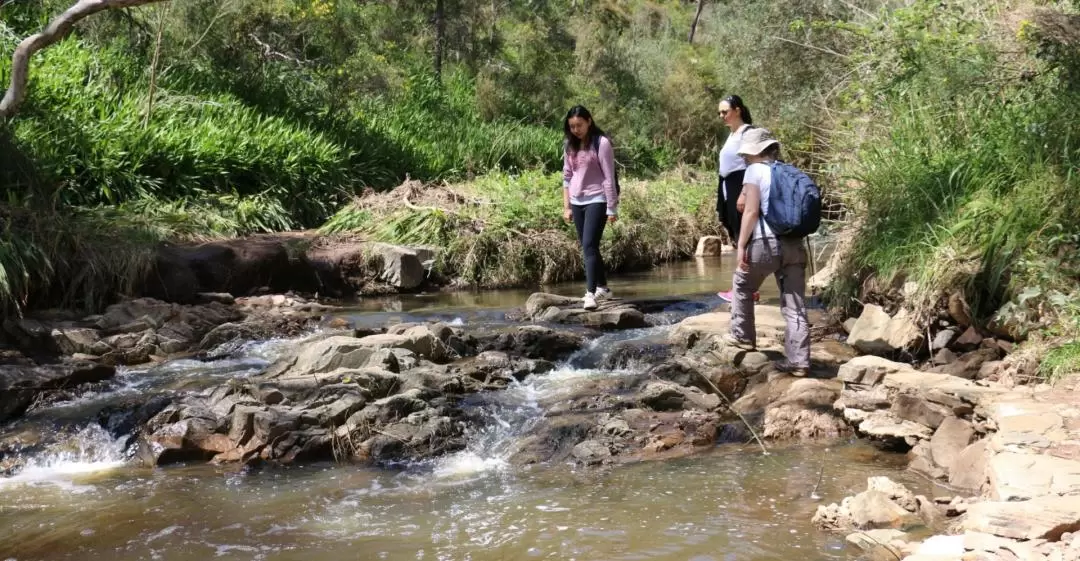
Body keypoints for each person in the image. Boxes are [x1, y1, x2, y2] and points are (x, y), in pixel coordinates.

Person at [722, 127, 810, 376]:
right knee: (795, 304)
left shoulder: (754, 171)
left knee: (742, 284)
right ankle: (799, 361)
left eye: (746, 154)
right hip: (795, 245)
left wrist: (740, 246)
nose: (745, 158)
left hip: (765, 243)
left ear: (754, 152)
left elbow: (750, 212)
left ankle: (743, 337)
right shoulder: (790, 171)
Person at [562, 105, 618, 311]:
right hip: (577, 201)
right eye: (572, 126)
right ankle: (604, 287)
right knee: (590, 246)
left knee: (588, 246)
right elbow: (566, 176)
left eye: (580, 125)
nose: (576, 129)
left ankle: (590, 294)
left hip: (598, 199)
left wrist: (611, 207)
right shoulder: (569, 145)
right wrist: (566, 206)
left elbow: (608, 176)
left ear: (589, 121)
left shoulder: (601, 143)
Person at [715, 95, 759, 303]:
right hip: (727, 187)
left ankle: (745, 289)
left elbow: (752, 163)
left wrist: (743, 193)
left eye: (725, 112)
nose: (722, 116)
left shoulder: (747, 133)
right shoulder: (732, 134)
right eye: (720, 113)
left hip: (741, 187)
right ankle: (745, 288)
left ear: (738, 110)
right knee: (737, 236)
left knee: (745, 237)